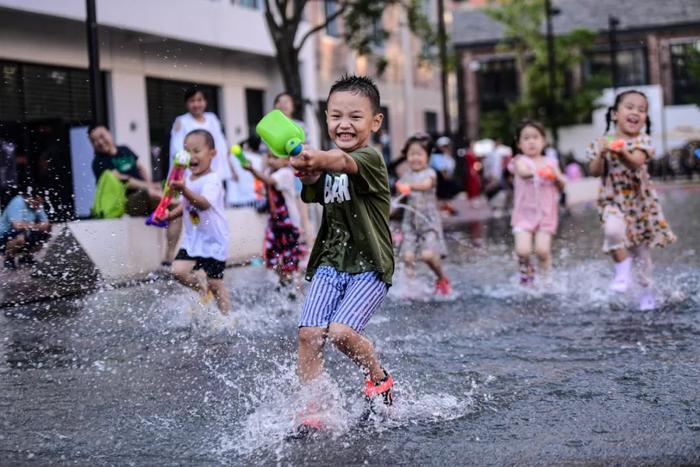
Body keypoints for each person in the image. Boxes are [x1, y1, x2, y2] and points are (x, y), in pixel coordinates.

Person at [288, 75, 395, 432]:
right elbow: (315, 187)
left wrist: (316, 156)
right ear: (326, 117)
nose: (343, 124)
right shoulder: (328, 162)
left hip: (369, 266)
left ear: (375, 122)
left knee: (341, 334)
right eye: (335, 116)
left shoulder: (370, 159)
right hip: (330, 263)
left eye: (354, 117)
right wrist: (306, 174)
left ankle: (378, 377)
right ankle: (314, 408)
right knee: (309, 335)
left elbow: (344, 163)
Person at [586, 90, 676, 310]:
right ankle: (622, 270)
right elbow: (594, 171)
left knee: (642, 255)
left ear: (645, 117)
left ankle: (646, 292)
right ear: (615, 114)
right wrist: (601, 153)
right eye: (630, 107)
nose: (635, 112)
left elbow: (635, 163)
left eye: (641, 109)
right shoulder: (602, 142)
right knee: (613, 231)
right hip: (613, 201)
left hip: (640, 206)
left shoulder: (642, 141)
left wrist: (621, 151)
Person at [89, 126, 181, 266]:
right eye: (94, 141)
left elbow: (140, 168)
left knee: (176, 208)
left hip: (148, 196)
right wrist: (150, 186)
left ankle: (169, 257)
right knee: (150, 193)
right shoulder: (98, 162)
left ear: (109, 133)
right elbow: (124, 180)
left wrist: (150, 183)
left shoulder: (124, 149)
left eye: (101, 136)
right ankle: (162, 207)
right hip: (126, 202)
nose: (100, 142)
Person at [166, 129, 231, 314]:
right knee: (178, 271)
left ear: (212, 154)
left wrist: (184, 189)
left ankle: (227, 319)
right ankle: (201, 290)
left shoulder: (212, 180)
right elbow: (186, 204)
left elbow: (202, 204)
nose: (191, 156)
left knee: (215, 283)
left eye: (197, 151)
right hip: (193, 239)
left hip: (214, 240)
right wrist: (170, 216)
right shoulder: (187, 179)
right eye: (187, 151)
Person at [510, 120, 566, 285]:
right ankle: (526, 273)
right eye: (526, 138)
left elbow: (562, 183)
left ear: (543, 141)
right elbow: (523, 173)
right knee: (523, 250)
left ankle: (546, 278)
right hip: (523, 215)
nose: (531, 141)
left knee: (542, 250)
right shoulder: (520, 160)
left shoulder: (551, 162)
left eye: (535, 137)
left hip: (546, 215)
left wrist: (555, 177)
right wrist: (536, 172)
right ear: (519, 144)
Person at [395, 134, 451, 295]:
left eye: (419, 154)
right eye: (411, 154)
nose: (415, 158)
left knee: (427, 255)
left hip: (428, 222)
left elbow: (426, 185)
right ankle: (411, 288)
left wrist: (409, 187)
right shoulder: (405, 176)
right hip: (410, 223)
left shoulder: (431, 173)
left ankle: (441, 277)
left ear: (428, 156)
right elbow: (399, 198)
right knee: (407, 257)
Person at [242, 153, 303, 288]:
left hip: (288, 225)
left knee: (290, 260)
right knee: (272, 257)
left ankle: (296, 289)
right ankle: (285, 282)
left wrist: (252, 170)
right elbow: (264, 187)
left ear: (287, 160)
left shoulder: (286, 173)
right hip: (274, 224)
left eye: (275, 157)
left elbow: (270, 181)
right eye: (268, 157)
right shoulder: (271, 171)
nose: (270, 160)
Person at [273, 92, 316, 253]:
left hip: (297, 174)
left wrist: (285, 161)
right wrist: (276, 162)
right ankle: (289, 252)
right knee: (283, 215)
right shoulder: (272, 128)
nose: (283, 104)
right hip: (279, 176)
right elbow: (266, 154)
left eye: (287, 101)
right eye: (280, 101)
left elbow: (306, 149)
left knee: (302, 213)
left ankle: (309, 249)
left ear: (293, 106)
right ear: (275, 106)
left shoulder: (300, 126)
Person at [169, 87, 233, 189]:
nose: (196, 104)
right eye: (192, 101)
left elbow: (222, 144)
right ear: (186, 103)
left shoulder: (212, 118)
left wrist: (230, 167)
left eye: (199, 100)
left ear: (205, 102)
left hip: (217, 171)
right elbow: (177, 149)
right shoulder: (181, 121)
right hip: (194, 173)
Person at [0, 190, 51, 269]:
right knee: (20, 237)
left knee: (46, 233)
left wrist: (30, 225)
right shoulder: (17, 202)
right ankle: (9, 258)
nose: (38, 206)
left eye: (40, 203)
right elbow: (17, 226)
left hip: (24, 231)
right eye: (37, 203)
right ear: (29, 198)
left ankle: (27, 256)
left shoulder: (37, 204)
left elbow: (46, 225)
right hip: (5, 235)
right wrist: (36, 226)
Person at [430, 136, 459, 215]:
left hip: (447, 179)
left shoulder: (448, 155)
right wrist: (445, 176)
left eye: (446, 146)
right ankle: (444, 208)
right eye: (443, 146)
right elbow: (441, 169)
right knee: (442, 195)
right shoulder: (436, 156)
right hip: (441, 179)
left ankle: (447, 207)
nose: (445, 148)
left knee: (447, 195)